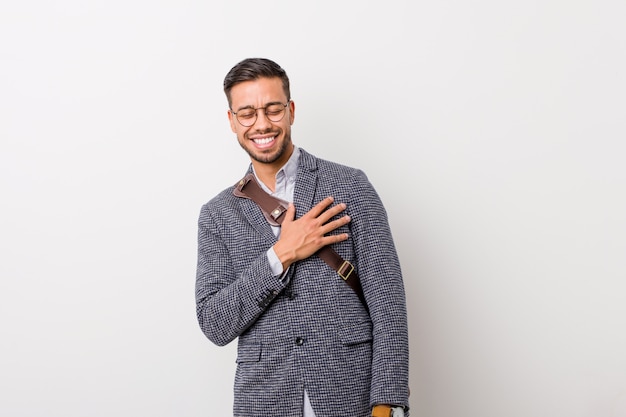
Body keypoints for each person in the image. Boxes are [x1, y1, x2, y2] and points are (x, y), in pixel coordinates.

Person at [195, 57, 410, 417]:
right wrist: (280, 255)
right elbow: (215, 322)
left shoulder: (351, 186)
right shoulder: (217, 214)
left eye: (273, 109)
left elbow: (389, 306)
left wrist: (386, 404)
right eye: (247, 113)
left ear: (291, 111)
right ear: (232, 121)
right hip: (264, 403)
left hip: (351, 397)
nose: (262, 124)